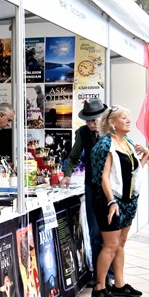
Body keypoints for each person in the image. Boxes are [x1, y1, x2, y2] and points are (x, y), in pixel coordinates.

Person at [89, 105, 149, 297]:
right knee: (111, 244)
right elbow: (103, 177)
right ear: (112, 123)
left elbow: (131, 172)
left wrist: (146, 155)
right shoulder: (105, 145)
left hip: (128, 201)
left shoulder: (127, 142)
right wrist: (111, 201)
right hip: (110, 202)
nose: (128, 120)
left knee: (121, 244)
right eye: (123, 117)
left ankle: (120, 285)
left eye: (127, 117)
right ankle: (99, 288)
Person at [60, 98, 109, 283]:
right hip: (91, 186)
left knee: (111, 234)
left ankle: (110, 275)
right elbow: (73, 156)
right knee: (94, 231)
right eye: (88, 120)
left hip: (111, 187)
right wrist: (67, 174)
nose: (92, 123)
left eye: (95, 120)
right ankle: (99, 275)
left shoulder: (111, 131)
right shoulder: (82, 132)